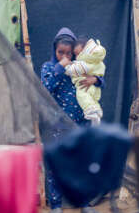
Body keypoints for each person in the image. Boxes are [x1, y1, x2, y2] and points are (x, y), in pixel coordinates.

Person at [41, 28, 103, 213]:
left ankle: (83, 203)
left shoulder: (80, 67)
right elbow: (45, 88)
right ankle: (56, 205)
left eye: (69, 53)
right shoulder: (49, 68)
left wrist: (96, 80)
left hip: (80, 124)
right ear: (54, 50)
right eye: (61, 52)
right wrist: (60, 67)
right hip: (57, 126)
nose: (65, 56)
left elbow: (100, 76)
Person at [65, 36, 106, 125]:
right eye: (75, 54)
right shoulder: (96, 62)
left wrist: (96, 79)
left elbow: (102, 81)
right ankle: (95, 114)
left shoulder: (83, 63)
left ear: (85, 52)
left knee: (82, 95)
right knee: (92, 102)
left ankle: (93, 112)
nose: (76, 57)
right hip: (69, 115)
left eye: (78, 54)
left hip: (86, 91)